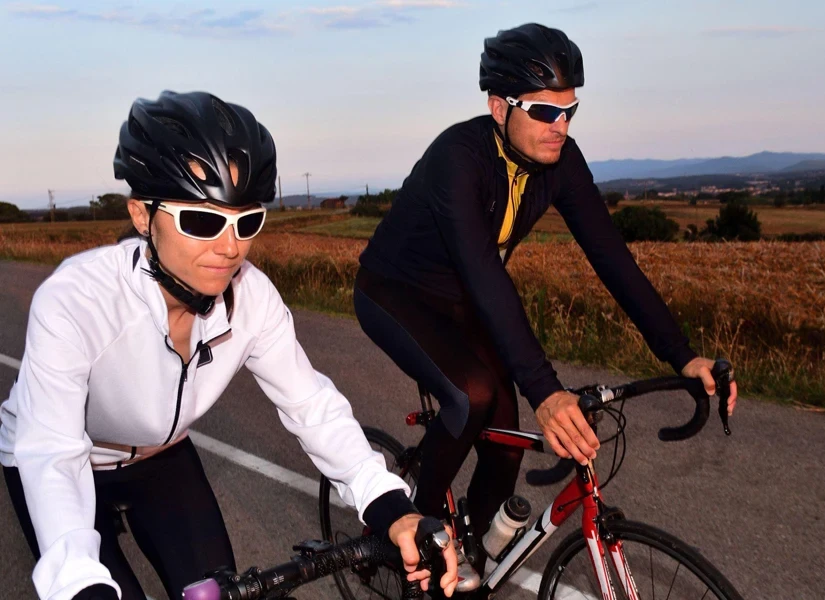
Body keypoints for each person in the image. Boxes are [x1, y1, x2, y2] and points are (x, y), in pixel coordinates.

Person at [0, 91, 456, 600]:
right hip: (67, 461)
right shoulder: (75, 301)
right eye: (202, 220)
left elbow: (311, 405)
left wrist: (390, 504)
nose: (230, 247)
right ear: (141, 215)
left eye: (246, 221)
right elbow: (54, 455)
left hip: (161, 457)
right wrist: (79, 584)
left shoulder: (252, 297)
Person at [353, 23, 739, 588]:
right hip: (395, 294)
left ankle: (478, 563)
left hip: (462, 303)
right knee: (474, 394)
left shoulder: (562, 162)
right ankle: (412, 538)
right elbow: (485, 276)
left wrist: (682, 355)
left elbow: (614, 261)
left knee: (506, 442)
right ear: (497, 106)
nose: (559, 126)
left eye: (569, 112)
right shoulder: (456, 159)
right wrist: (547, 391)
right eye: (543, 112)